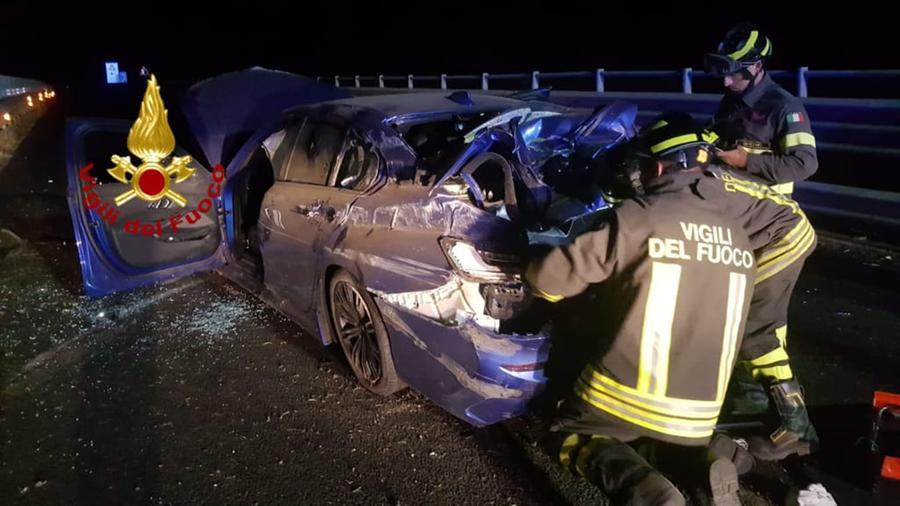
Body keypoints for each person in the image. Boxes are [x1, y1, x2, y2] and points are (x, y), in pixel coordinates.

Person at [526, 124, 757, 505]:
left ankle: (647, 492)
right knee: (653, 435)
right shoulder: (737, 233)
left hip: (624, 397)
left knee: (565, 433)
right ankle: (701, 463)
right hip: (701, 413)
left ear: (662, 168)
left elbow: (548, 281)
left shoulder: (639, 217)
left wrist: (527, 265)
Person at [647, 113, 820, 461]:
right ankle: (759, 400)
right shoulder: (700, 177)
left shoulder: (690, 191)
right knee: (756, 324)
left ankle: (795, 428)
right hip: (776, 231)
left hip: (781, 238)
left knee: (754, 330)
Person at [704, 23, 818, 197]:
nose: (726, 82)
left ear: (756, 67)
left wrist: (747, 161)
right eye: (724, 72)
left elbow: (804, 164)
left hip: (768, 208)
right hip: (731, 198)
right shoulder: (732, 98)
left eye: (735, 73)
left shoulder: (785, 106)